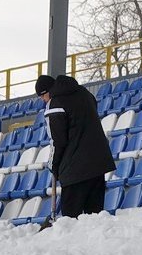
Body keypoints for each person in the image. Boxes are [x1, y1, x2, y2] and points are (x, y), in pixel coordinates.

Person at [36, 74, 115, 218]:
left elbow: (57, 141)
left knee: (70, 221)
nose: (43, 100)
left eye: (42, 97)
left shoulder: (55, 105)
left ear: (46, 92)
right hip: (98, 163)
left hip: (75, 169)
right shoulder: (84, 93)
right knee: (95, 218)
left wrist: (53, 165)